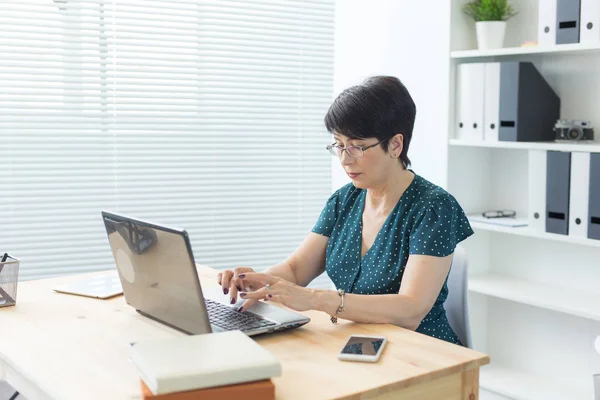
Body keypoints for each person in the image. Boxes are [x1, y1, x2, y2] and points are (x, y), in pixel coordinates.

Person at [217, 76, 474, 345]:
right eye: (338, 145)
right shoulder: (345, 200)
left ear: (396, 145)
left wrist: (316, 299)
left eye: (357, 147)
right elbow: (295, 270)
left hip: (422, 352)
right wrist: (255, 282)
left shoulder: (433, 207)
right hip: (356, 343)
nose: (344, 159)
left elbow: (411, 309)